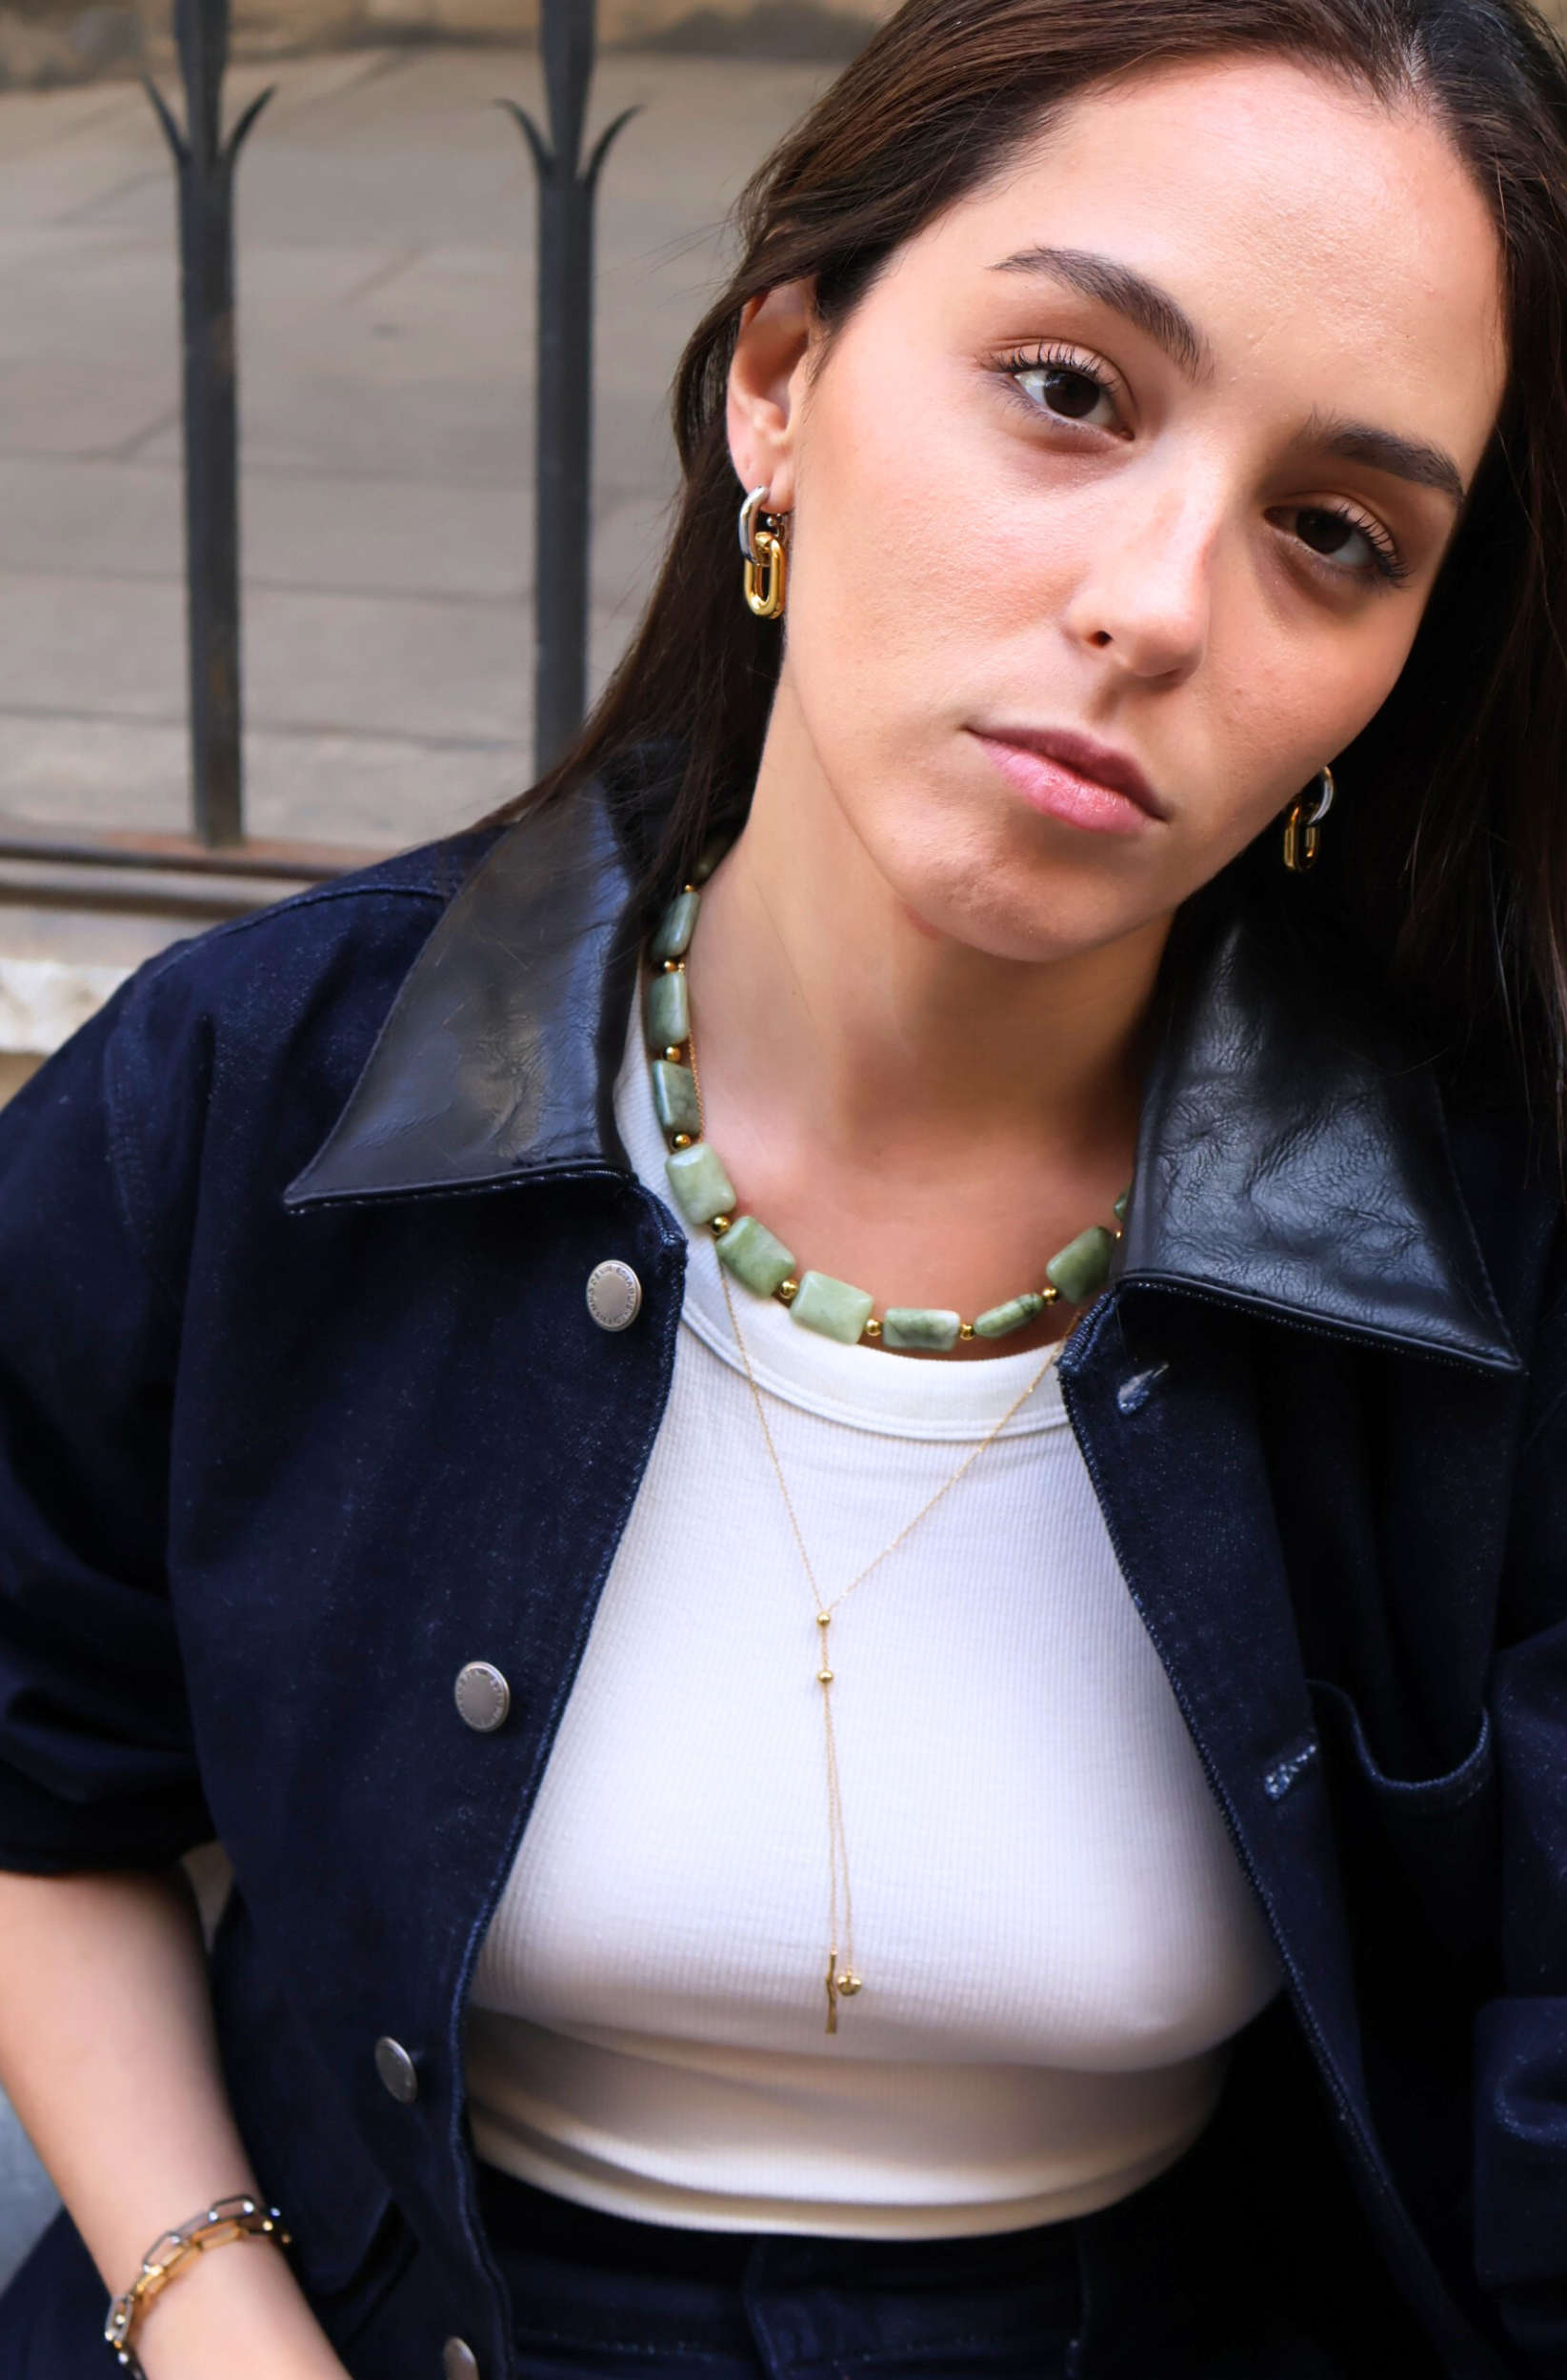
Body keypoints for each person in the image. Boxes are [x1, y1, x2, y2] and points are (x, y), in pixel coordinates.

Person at [1, 0, 1565, 2370]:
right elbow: (39, 1767)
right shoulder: (256, 1094)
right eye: (1071, 390)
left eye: (1333, 532)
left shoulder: (1490, 1251)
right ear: (781, 384)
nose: (1160, 602)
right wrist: (214, 2312)